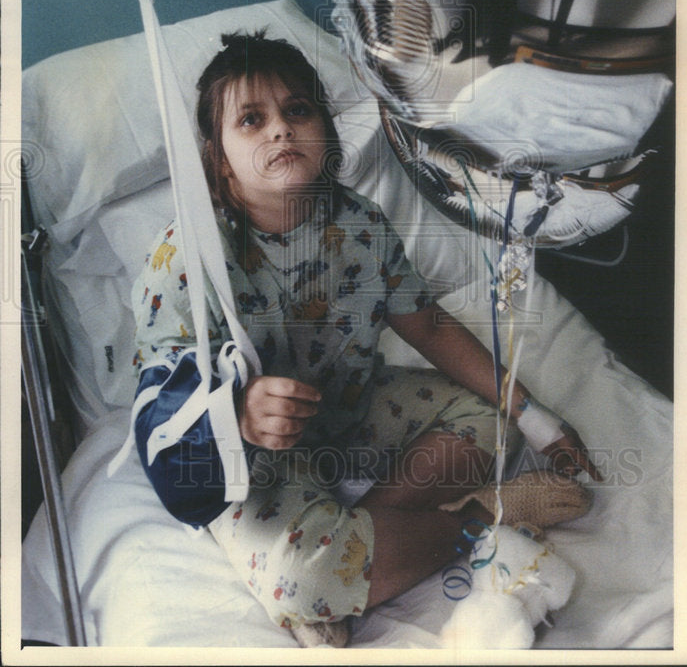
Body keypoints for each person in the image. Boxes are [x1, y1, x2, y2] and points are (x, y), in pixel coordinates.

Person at [131, 32, 600, 648]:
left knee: (492, 426)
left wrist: (538, 419)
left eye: (297, 110)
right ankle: (486, 515)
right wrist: (238, 415)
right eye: (252, 119)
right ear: (218, 158)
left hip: (347, 410)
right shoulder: (187, 258)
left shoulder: (359, 226)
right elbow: (164, 411)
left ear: (325, 130)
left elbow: (428, 326)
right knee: (305, 579)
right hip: (257, 460)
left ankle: (362, 543)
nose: (280, 130)